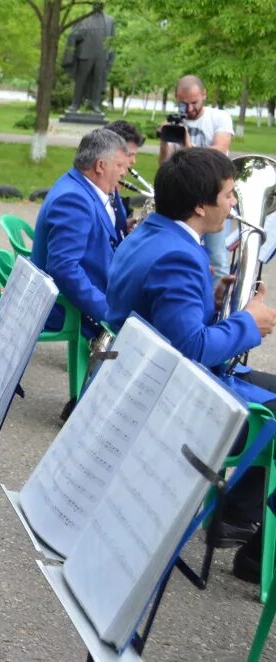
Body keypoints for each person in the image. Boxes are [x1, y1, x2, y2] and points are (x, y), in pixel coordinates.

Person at [106, 147, 276, 583]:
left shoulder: (153, 233)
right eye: (229, 195)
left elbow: (166, 315)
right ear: (201, 205)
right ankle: (251, 546)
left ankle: (236, 514)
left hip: (145, 377)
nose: (234, 203)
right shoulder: (178, 254)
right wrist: (248, 323)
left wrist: (212, 299)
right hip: (169, 400)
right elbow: (190, 347)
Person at [32, 128, 129, 338]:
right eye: (120, 166)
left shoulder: (81, 186)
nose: (124, 173)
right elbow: (63, 268)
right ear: (100, 165)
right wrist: (107, 312)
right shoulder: (74, 200)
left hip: (93, 291)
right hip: (68, 308)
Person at [159, 75, 235, 284]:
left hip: (213, 197)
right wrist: (166, 140)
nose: (190, 108)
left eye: (195, 102)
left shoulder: (219, 117)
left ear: (204, 95)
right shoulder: (177, 123)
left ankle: (217, 308)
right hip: (184, 201)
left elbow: (220, 151)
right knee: (182, 252)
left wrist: (188, 145)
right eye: (185, 103)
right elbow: (164, 165)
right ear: (177, 97)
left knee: (217, 257)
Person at [62, 4, 115, 113]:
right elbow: (73, 34)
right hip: (85, 54)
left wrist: (110, 57)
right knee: (80, 80)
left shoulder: (109, 20)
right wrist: (79, 33)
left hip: (101, 55)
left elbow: (113, 41)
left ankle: (95, 104)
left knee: (98, 80)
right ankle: (75, 104)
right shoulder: (83, 18)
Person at [104, 119, 145, 233]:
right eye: (129, 155)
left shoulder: (112, 187)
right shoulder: (78, 200)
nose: (133, 161)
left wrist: (123, 227)